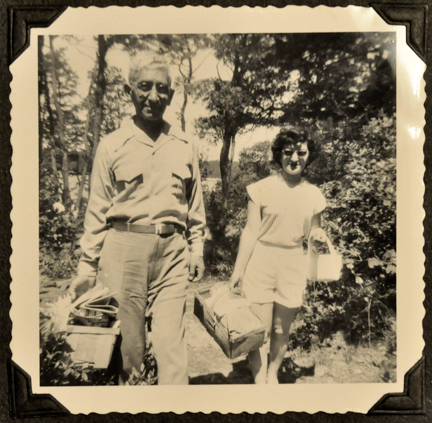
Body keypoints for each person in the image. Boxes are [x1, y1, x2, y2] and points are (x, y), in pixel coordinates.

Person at [68, 53, 206, 385]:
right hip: (122, 253)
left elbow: (195, 203)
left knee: (172, 348)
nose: (154, 97)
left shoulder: (185, 144)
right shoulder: (112, 145)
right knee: (129, 352)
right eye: (144, 87)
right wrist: (87, 268)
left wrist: (197, 248)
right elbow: (98, 210)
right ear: (129, 90)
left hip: (172, 253)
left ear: (171, 95)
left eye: (162, 89)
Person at [230, 127, 327, 384]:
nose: (294, 159)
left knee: (281, 329)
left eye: (301, 153)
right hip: (261, 261)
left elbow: (314, 231)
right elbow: (250, 232)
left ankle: (272, 375)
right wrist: (238, 271)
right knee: (258, 329)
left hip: (294, 262)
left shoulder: (314, 195)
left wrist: (318, 236)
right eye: (288, 152)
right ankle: (260, 378)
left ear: (309, 156)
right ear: (278, 155)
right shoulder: (260, 189)